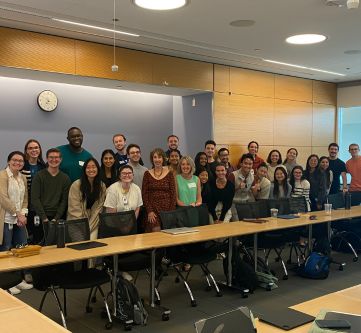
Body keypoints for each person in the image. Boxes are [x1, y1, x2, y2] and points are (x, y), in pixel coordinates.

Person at [0, 151, 33, 294]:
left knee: (21, 248)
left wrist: (23, 214)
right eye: (14, 160)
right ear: (8, 161)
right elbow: (3, 198)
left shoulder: (22, 177)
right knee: (6, 249)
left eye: (20, 161)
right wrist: (17, 214)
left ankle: (17, 280)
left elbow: (25, 197)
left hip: (19, 218)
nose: (17, 163)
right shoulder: (2, 176)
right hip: (6, 218)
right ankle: (5, 283)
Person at [31, 148, 71, 234]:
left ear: (61, 159)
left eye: (56, 157)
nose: (54, 160)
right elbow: (35, 198)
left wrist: (55, 219)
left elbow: (64, 201)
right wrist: (44, 218)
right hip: (40, 216)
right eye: (51, 157)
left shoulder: (65, 178)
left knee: (57, 245)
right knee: (39, 245)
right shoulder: (39, 176)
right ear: (47, 158)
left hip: (58, 217)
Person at [67, 158, 106, 240]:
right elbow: (74, 209)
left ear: (98, 169)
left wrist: (90, 226)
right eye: (88, 167)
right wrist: (84, 227)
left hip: (94, 221)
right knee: (81, 243)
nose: (91, 169)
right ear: (84, 170)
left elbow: (99, 208)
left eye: (93, 167)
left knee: (92, 241)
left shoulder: (102, 186)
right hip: (77, 222)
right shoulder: (76, 185)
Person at [142, 148, 176, 232]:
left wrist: (170, 213)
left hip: (168, 209)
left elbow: (173, 193)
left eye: (159, 157)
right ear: (152, 159)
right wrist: (149, 211)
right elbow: (144, 194)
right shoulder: (147, 174)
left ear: (163, 159)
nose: (157, 160)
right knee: (156, 230)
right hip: (153, 210)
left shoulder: (169, 173)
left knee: (168, 233)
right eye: (155, 157)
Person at [22, 139, 46, 244]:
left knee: (38, 235)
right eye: (30, 148)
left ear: (40, 150)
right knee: (26, 236)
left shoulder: (43, 167)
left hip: (39, 206)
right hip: (24, 207)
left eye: (36, 147)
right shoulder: (21, 166)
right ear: (26, 151)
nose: (33, 150)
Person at [229, 153, 254, 221]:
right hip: (234, 204)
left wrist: (255, 190)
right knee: (237, 225)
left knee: (249, 224)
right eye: (245, 163)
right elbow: (227, 193)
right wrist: (238, 187)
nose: (248, 166)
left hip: (246, 204)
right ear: (241, 164)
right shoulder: (233, 175)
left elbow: (251, 192)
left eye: (250, 164)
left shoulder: (252, 176)